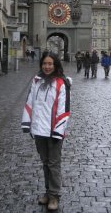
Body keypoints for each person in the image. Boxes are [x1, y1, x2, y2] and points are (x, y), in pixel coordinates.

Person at [21, 51, 71, 211]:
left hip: (54, 130)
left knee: (54, 164)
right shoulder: (36, 81)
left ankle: (55, 196)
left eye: (50, 64)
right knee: (45, 163)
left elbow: (64, 110)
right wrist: (27, 124)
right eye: (44, 63)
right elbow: (29, 103)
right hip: (39, 130)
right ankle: (48, 192)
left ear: (55, 65)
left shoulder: (62, 83)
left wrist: (59, 131)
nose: (47, 66)